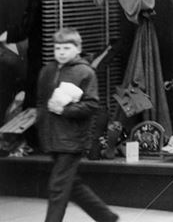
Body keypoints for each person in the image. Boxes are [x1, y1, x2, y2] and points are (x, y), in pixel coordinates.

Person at [37, 27, 118, 222]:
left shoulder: (85, 72)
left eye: (66, 48)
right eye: (58, 48)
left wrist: (64, 110)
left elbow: (91, 104)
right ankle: (107, 218)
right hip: (52, 138)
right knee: (70, 184)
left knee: (57, 187)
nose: (61, 52)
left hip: (72, 140)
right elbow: (41, 102)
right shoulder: (47, 71)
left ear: (78, 48)